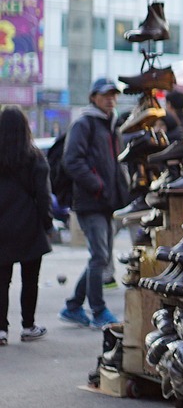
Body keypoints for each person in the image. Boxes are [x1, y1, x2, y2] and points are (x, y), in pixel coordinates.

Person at [59, 78, 128, 329]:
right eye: (105, 94)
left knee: (100, 257)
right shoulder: (84, 123)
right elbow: (72, 161)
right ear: (93, 97)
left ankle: (73, 306)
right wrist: (97, 185)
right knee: (100, 256)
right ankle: (98, 311)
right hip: (91, 201)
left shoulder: (110, 124)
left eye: (113, 94)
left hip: (106, 202)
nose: (111, 98)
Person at [0, 106, 54, 344]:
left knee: (2, 281)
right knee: (30, 279)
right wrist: (47, 223)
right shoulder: (34, 157)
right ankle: (28, 325)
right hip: (28, 225)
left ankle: (1, 330)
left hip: (1, 227)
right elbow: (43, 196)